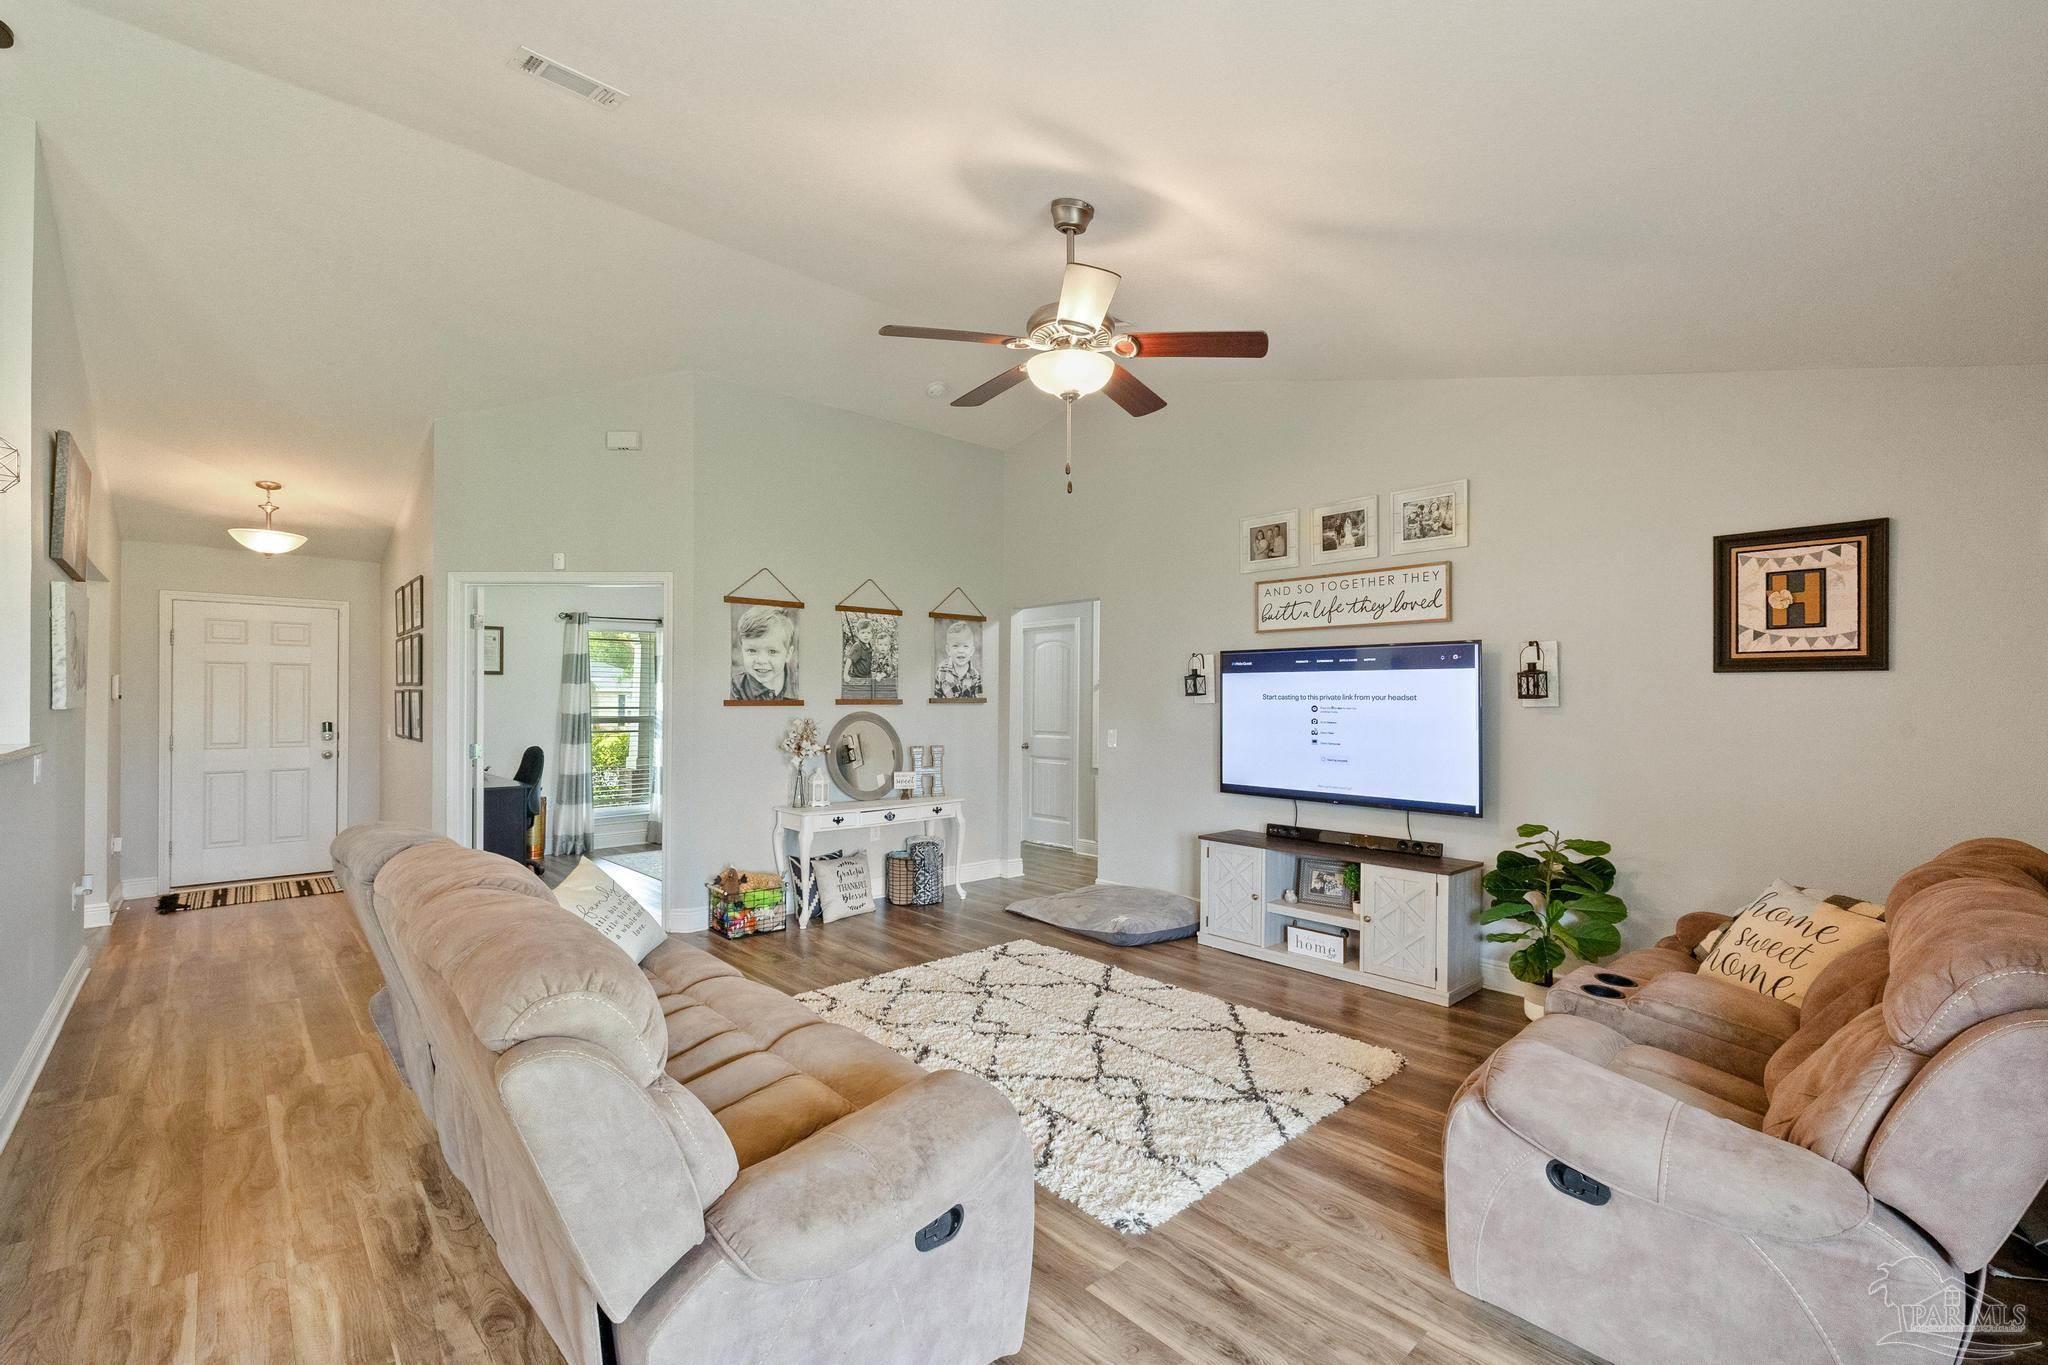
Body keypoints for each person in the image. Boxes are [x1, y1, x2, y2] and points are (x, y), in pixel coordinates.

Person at [731, 605, 797, 700]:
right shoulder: (734, 688)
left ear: (788, 654)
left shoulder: (798, 687)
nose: (761, 661)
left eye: (772, 651)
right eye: (752, 651)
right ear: (742, 649)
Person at [932, 620, 983, 699]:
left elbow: (978, 699)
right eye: (955, 646)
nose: (960, 650)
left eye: (965, 646)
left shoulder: (975, 675)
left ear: (972, 651)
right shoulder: (942, 671)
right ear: (948, 650)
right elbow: (936, 696)